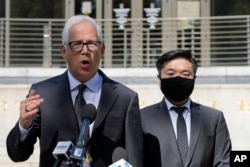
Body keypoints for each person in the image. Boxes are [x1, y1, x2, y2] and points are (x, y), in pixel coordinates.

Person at [6, 15, 143, 167]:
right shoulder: (42, 94)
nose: (85, 51)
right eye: (77, 44)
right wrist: (24, 125)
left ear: (102, 49)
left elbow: (135, 158)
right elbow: (17, 155)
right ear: (64, 51)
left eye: (92, 44)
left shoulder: (125, 98)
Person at [141, 50, 231, 167]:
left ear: (194, 78)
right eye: (171, 74)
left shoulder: (214, 118)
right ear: (159, 79)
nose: (178, 78)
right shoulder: (142, 118)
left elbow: (223, 161)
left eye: (185, 74)